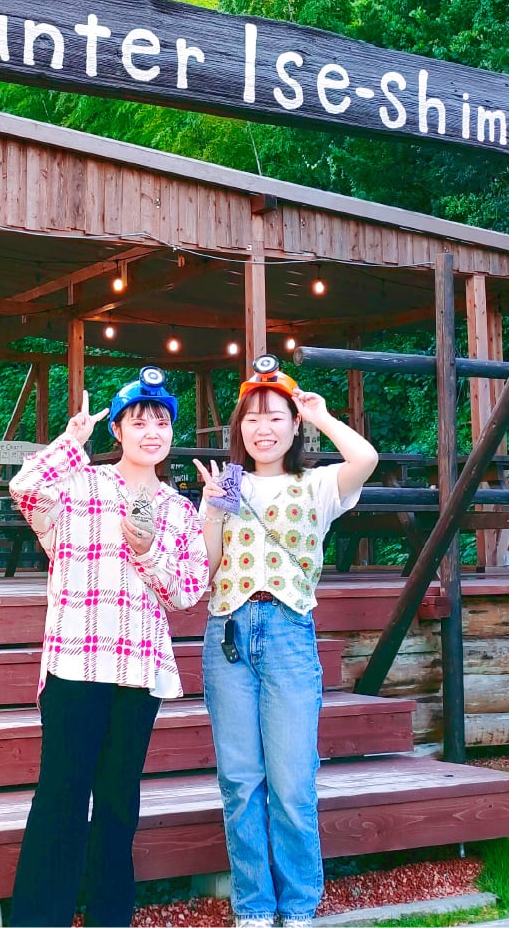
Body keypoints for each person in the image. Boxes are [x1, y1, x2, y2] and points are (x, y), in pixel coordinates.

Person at [9, 366, 210, 928]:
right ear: (117, 430)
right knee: (61, 797)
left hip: (137, 669)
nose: (152, 431)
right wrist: (72, 440)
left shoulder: (177, 507)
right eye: (139, 421)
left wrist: (147, 553)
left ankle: (108, 918)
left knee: (119, 801)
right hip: (76, 660)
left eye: (162, 421)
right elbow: (23, 491)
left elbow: (188, 592)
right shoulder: (81, 485)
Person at [195, 355, 379, 928]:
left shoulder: (318, 484)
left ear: (293, 425)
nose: (263, 427)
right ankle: (254, 906)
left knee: (293, 780)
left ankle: (298, 906)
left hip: (288, 634)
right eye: (252, 418)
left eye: (276, 416)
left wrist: (320, 413)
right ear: (238, 428)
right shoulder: (225, 482)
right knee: (241, 780)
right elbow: (210, 568)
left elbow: (366, 459)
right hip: (227, 634)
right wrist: (209, 511)